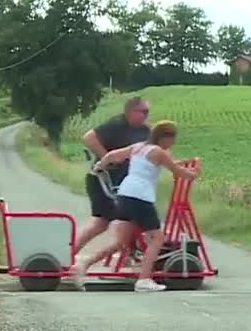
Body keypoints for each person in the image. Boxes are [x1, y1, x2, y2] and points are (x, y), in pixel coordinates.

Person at [70, 120, 198, 292]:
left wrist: (100, 165)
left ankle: (84, 264)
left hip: (124, 195)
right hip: (141, 197)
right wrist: (194, 173)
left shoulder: (138, 147)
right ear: (165, 137)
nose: (173, 143)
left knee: (121, 242)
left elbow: (112, 155)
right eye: (172, 139)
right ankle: (144, 279)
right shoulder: (158, 152)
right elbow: (177, 170)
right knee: (158, 238)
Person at [74, 96, 151, 256]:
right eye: (143, 111)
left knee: (133, 217)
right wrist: (106, 158)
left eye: (148, 112)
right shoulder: (117, 124)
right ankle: (68, 254)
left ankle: (131, 254)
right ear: (130, 112)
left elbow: (157, 149)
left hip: (123, 183)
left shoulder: (144, 131)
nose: (146, 115)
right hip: (102, 180)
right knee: (101, 222)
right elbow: (89, 137)